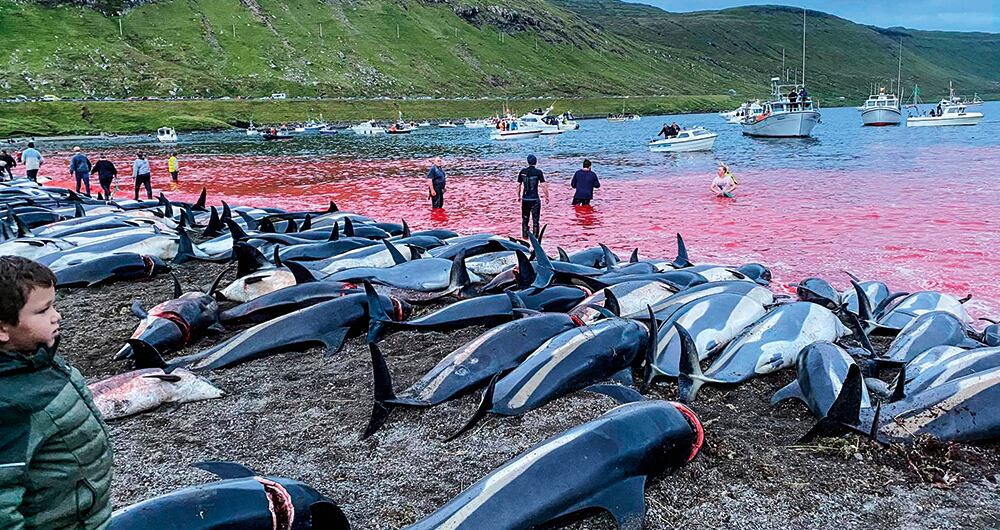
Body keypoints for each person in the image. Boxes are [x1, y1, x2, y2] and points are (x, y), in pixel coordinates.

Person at [0, 257, 114, 529]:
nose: (57, 315)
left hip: (83, 515)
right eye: (43, 311)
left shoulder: (36, 359)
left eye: (54, 304)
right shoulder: (10, 405)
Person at [517, 154, 548, 239]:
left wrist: (518, 196)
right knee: (535, 220)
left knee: (525, 219)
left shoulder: (522, 171)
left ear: (528, 162)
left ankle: (525, 237)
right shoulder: (538, 172)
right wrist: (546, 196)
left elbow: (518, 185)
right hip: (535, 199)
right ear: (536, 162)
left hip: (525, 199)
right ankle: (535, 239)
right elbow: (543, 185)